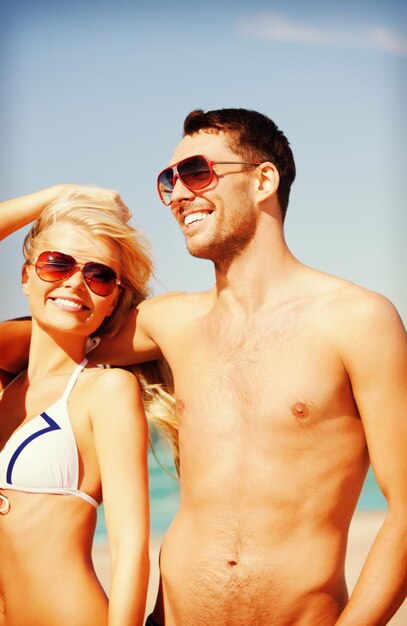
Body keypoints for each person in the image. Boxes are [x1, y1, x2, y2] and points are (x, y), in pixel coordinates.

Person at [2, 108, 407, 625]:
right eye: (168, 181)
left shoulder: (358, 320)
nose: (178, 194)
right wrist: (54, 197)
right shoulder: (166, 324)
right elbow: (42, 329)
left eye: (197, 172)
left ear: (264, 179)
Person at [0, 185, 176, 626]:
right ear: (25, 276)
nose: (75, 282)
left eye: (99, 275)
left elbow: (131, 549)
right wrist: (60, 195)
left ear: (113, 298)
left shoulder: (105, 391)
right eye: (56, 263)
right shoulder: (6, 388)